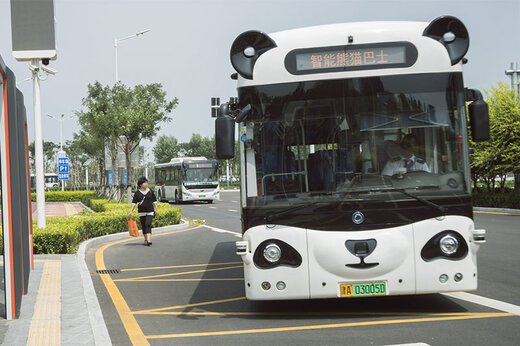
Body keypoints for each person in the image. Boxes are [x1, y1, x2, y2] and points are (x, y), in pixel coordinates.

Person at [129, 177, 158, 246]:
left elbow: (154, 201)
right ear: (140, 184)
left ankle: (148, 239)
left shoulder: (150, 191)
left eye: (146, 182)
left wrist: (155, 209)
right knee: (143, 225)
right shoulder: (137, 193)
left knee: (148, 224)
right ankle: (145, 239)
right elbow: (134, 203)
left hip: (150, 211)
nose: (146, 184)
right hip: (141, 212)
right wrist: (131, 211)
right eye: (144, 183)